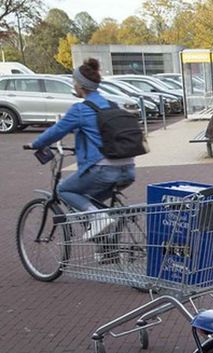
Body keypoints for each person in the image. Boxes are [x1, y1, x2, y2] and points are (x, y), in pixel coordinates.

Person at [30, 57, 136, 239]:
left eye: (74, 81)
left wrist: (36, 144)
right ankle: (106, 244)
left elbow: (56, 131)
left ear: (80, 85)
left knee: (63, 190)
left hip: (103, 170)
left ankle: (99, 219)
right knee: (89, 200)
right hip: (128, 169)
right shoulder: (112, 105)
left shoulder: (80, 109)